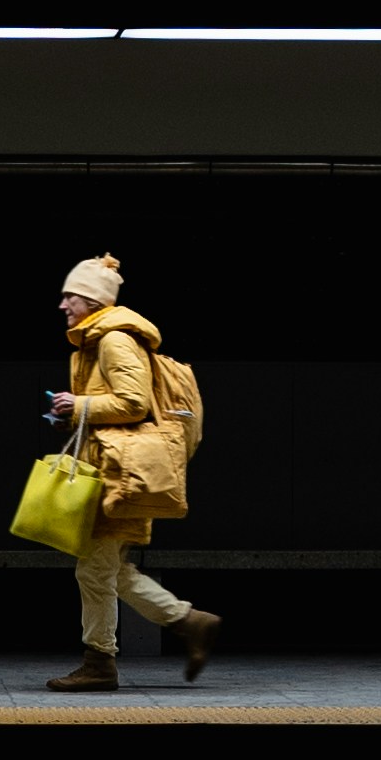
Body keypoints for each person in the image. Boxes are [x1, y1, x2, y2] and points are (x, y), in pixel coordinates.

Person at [44, 252, 220, 693]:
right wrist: (72, 413)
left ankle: (100, 662)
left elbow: (134, 404)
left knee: (93, 571)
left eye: (71, 296)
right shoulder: (94, 342)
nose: (63, 305)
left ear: (93, 300)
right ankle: (187, 621)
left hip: (121, 474)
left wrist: (79, 404)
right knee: (108, 569)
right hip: (108, 467)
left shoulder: (114, 341)